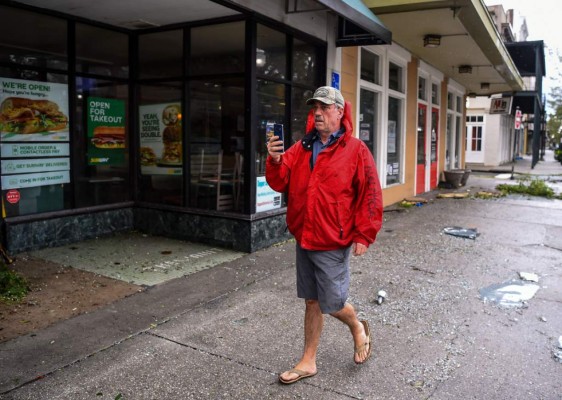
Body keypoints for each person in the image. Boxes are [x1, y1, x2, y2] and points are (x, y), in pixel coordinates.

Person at [265, 86, 383, 384]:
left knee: (332, 302)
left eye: (325, 107)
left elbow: (370, 193)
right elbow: (280, 183)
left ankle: (357, 325)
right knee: (311, 301)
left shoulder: (355, 149)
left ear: (340, 112)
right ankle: (308, 361)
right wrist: (276, 160)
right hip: (305, 235)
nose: (318, 112)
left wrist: (364, 234)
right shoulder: (302, 147)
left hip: (334, 238)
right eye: (315, 107)